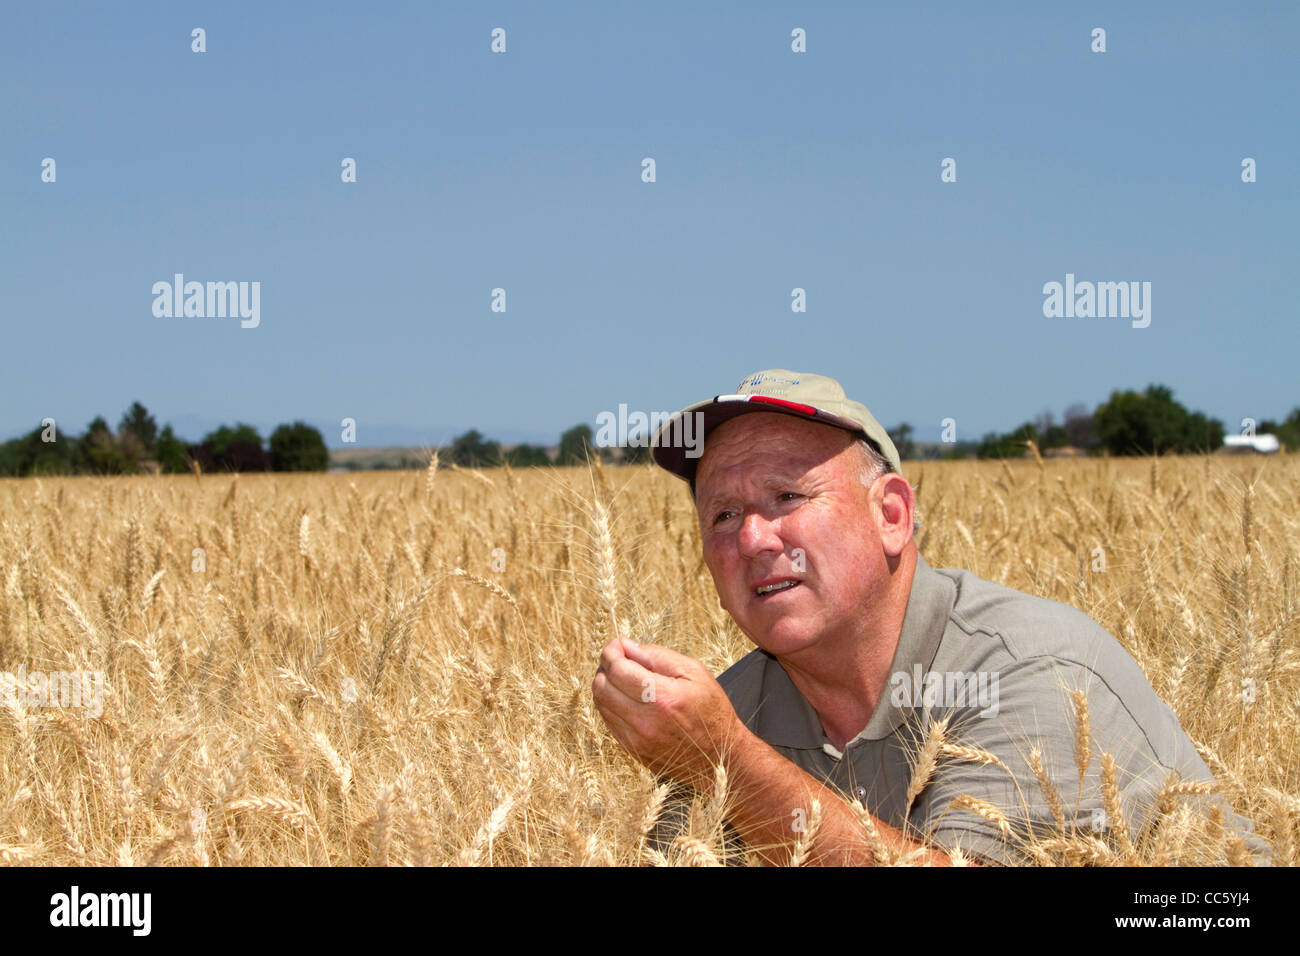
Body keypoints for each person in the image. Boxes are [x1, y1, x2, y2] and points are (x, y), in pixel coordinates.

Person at [591, 369, 1268, 866]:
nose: (753, 540)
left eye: (787, 495)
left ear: (892, 516)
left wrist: (728, 764)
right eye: (723, 515)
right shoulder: (726, 709)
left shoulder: (1028, 667)